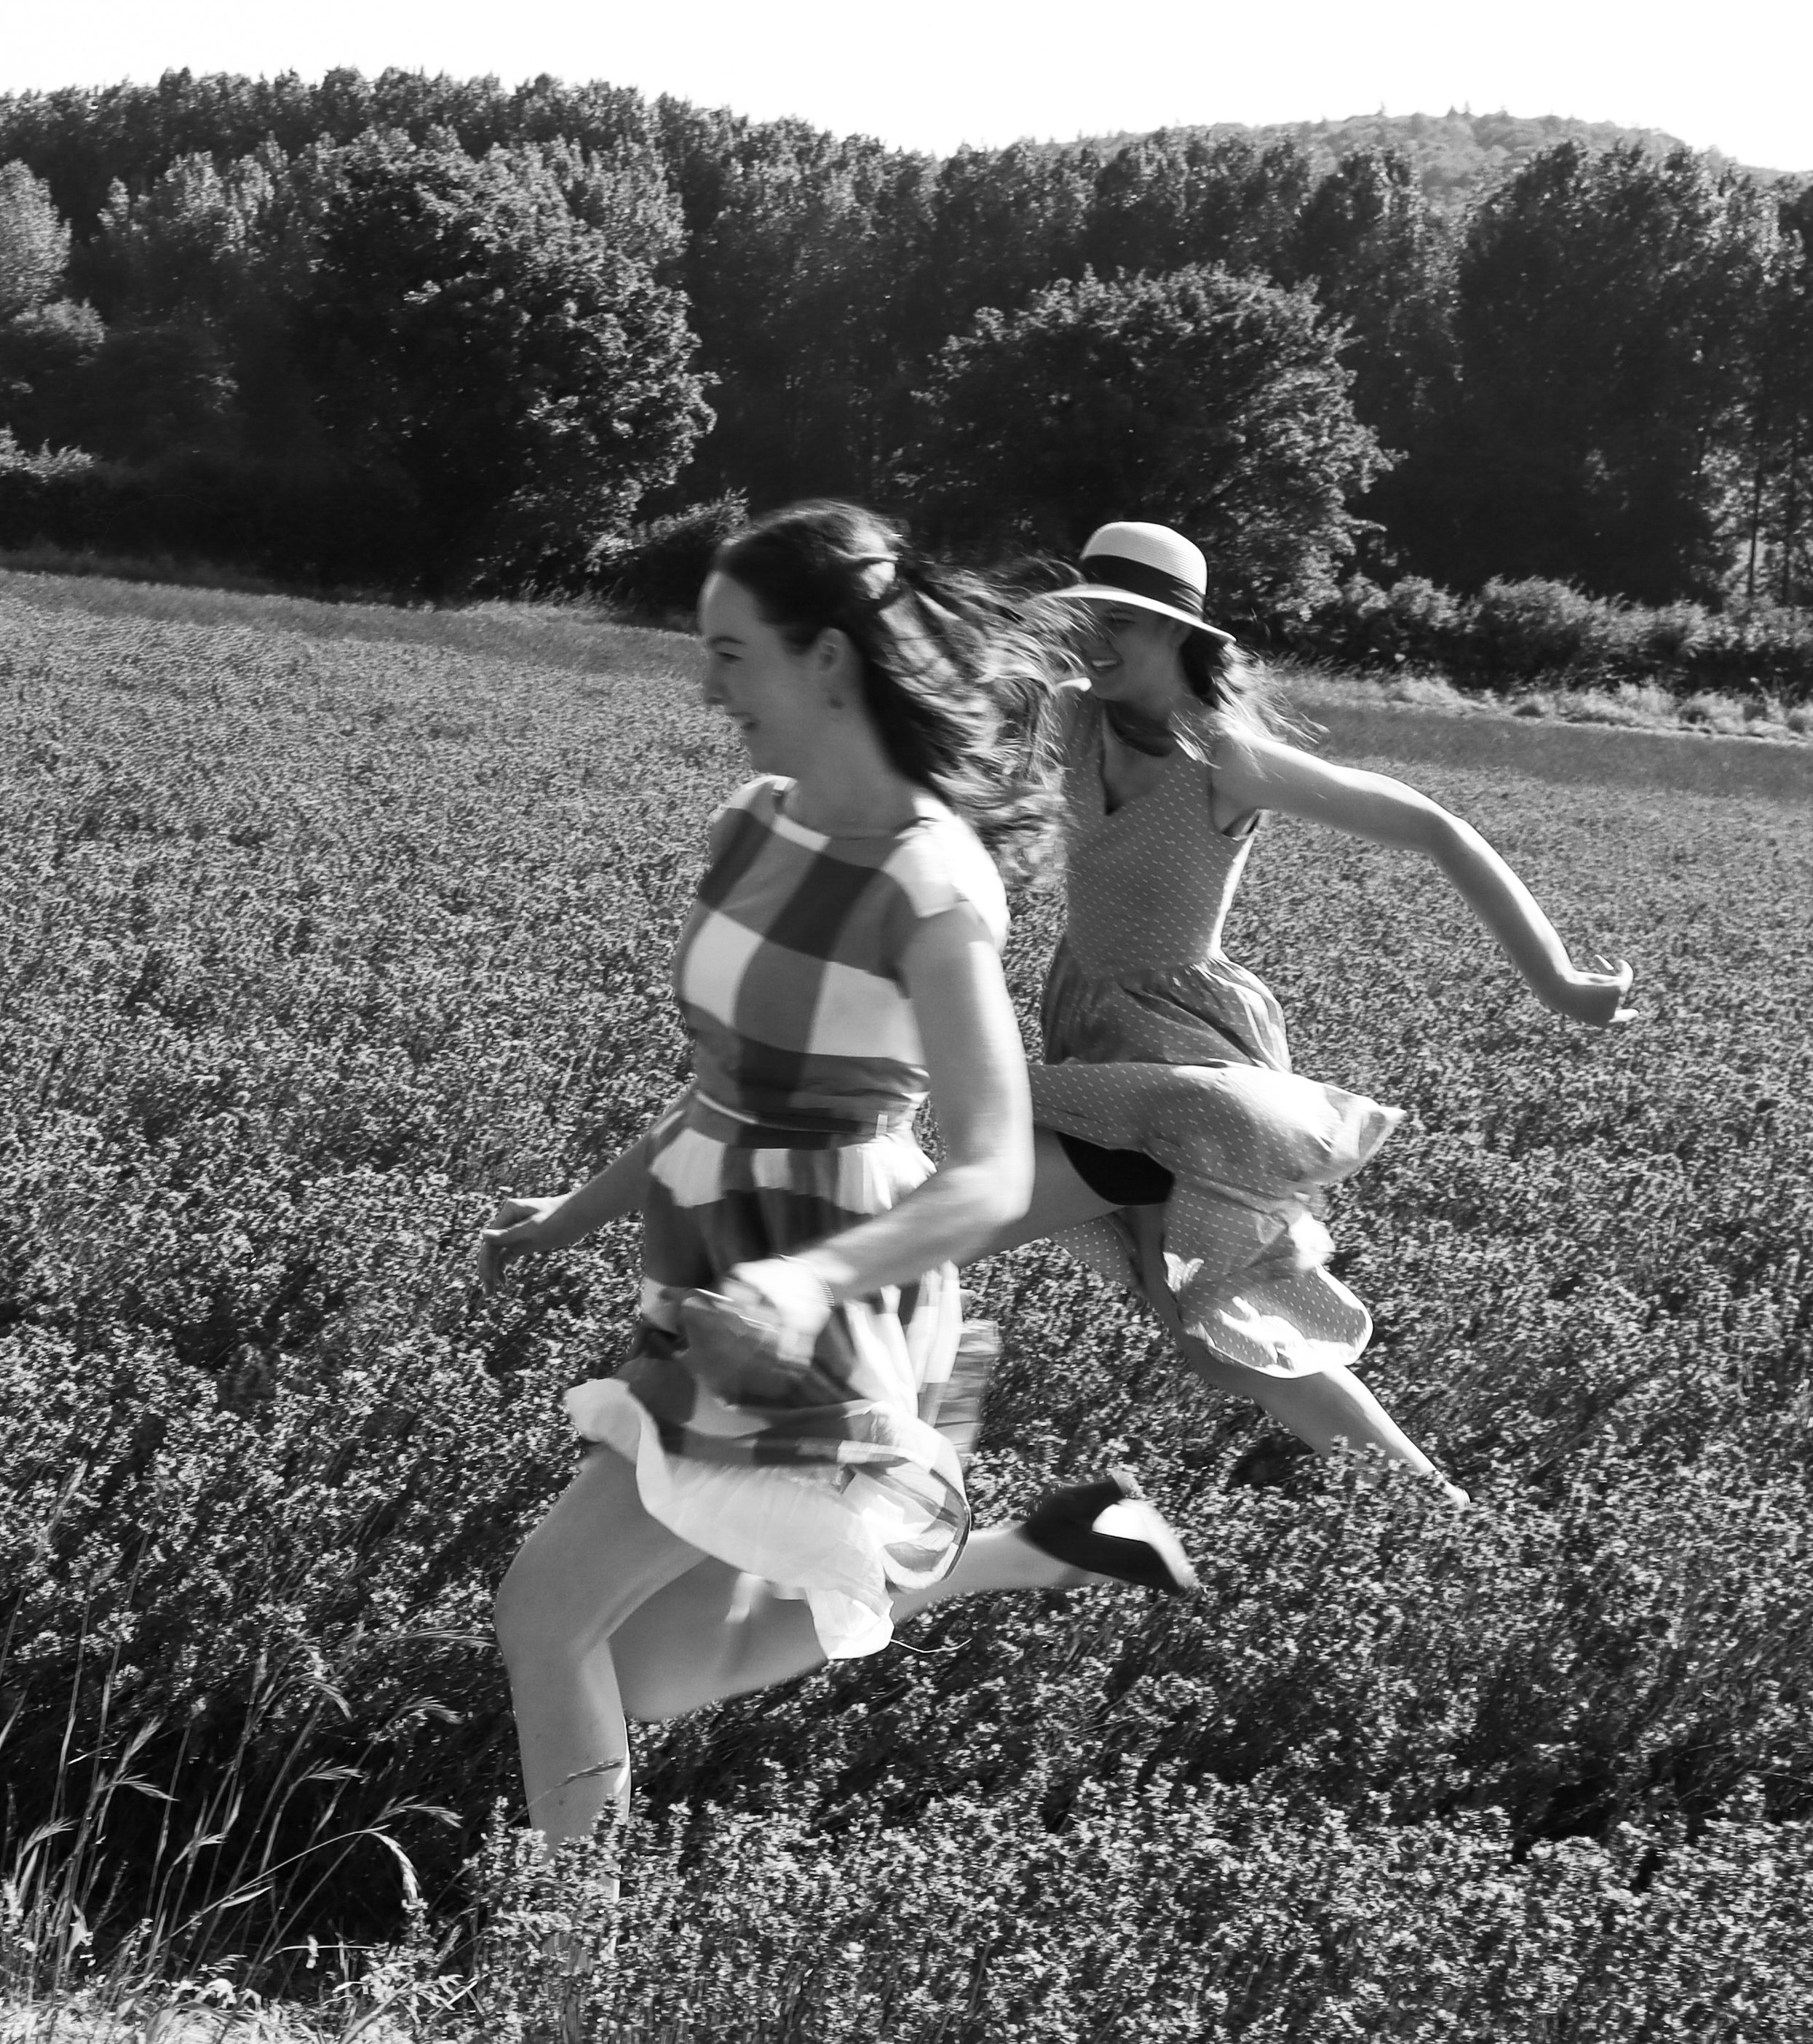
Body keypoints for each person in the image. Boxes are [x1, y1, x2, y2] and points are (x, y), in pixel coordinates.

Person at [480, 504, 1197, 1845]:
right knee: (645, 1670)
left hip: (824, 1291)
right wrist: (574, 1212)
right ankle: (1044, 1546)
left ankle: (563, 1970)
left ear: (824, 660)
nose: (709, 686)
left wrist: (811, 1283)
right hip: (715, 1274)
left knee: (546, 1616)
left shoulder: (930, 883)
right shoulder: (754, 823)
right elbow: (730, 1086)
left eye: (731, 652)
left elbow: (990, 1170)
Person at [965, 520, 1635, 1501]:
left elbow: (1437, 829)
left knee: (955, 1213)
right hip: (1090, 1029)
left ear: (1179, 634)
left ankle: (836, 1427)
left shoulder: (1226, 758)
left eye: (1122, 623)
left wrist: (1560, 982)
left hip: (1184, 1056)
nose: (1095, 642)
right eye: (1086, 620)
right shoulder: (1074, 716)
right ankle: (1434, 1507)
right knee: (1210, 1342)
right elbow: (938, 715)